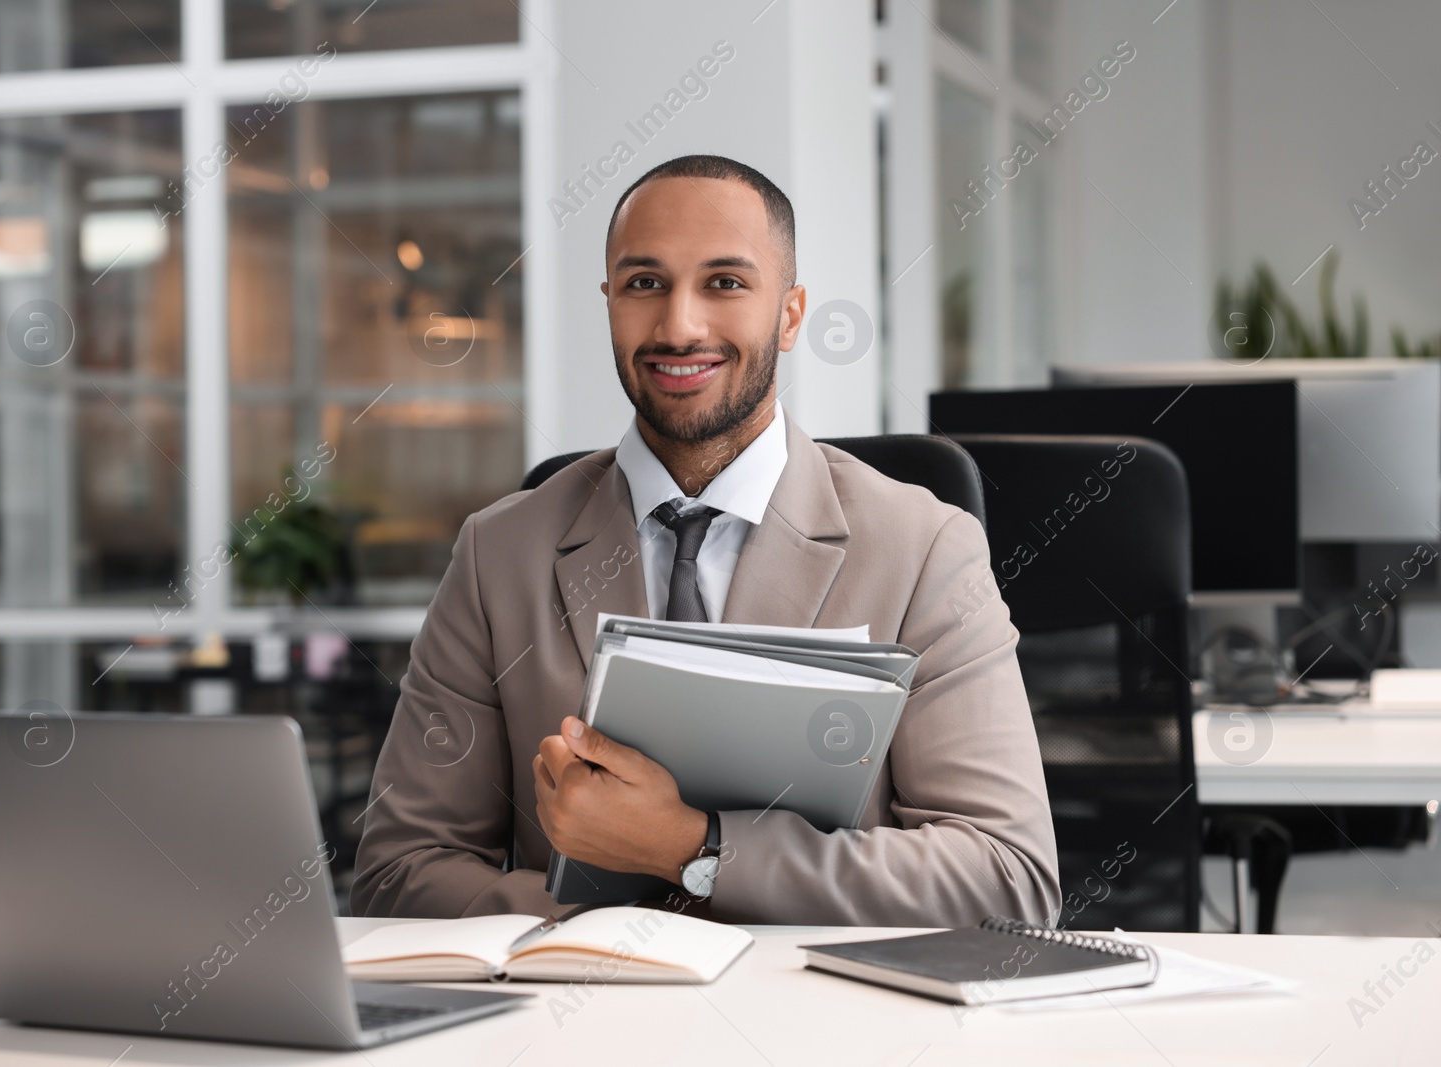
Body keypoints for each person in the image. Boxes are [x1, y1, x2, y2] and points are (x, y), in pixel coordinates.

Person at [351, 154, 1059, 927]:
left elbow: (1008, 880)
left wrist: (696, 849)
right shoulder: (497, 554)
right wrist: (625, 921)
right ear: (610, 302)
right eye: (644, 283)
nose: (679, 325)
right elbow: (397, 875)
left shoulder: (924, 547)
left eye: (725, 283)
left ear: (790, 315)